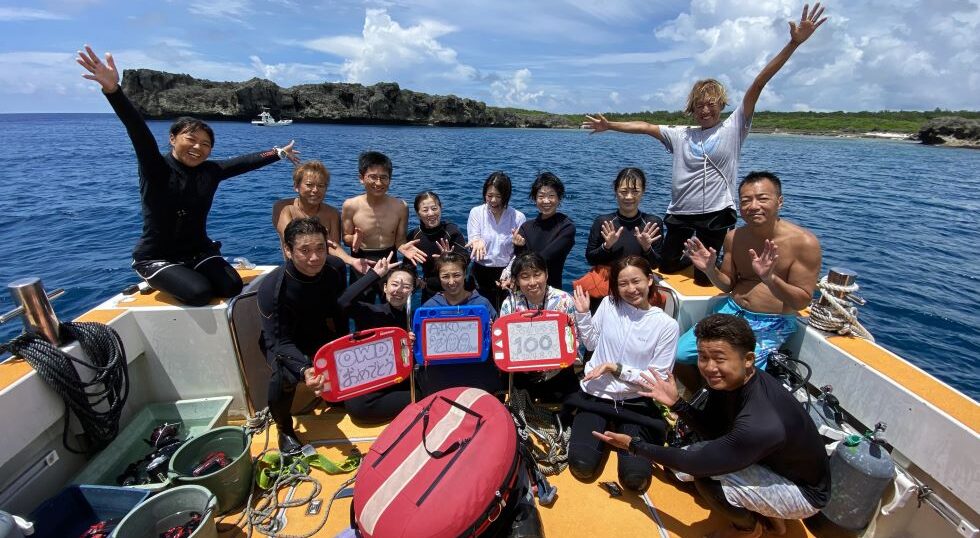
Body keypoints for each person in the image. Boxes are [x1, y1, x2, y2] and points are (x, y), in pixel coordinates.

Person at [583, 4, 827, 286]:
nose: (705, 110)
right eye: (699, 106)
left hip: (716, 213)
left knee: (705, 276)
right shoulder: (681, 134)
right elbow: (646, 127)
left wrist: (793, 44)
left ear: (721, 105)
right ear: (692, 109)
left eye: (711, 104)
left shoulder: (733, 128)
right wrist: (609, 125)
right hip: (680, 212)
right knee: (668, 264)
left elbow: (757, 85)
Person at [77, 45, 300, 306]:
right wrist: (113, 91)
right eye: (191, 139)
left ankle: (191, 270)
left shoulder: (211, 171)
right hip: (156, 256)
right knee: (199, 293)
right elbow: (138, 130)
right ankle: (157, 275)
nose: (198, 148)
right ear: (172, 139)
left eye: (206, 144)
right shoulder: (155, 167)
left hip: (197, 252)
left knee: (231, 286)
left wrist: (278, 153)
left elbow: (243, 163)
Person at [595, 314, 831, 538]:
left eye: (719, 358)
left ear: (748, 359)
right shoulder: (731, 382)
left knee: (704, 477)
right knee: (676, 472)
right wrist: (678, 404)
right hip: (769, 460)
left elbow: (696, 463)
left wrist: (634, 446)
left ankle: (748, 529)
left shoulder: (761, 421)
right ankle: (768, 514)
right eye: (702, 357)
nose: (708, 367)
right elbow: (713, 430)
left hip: (803, 493)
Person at [677, 172, 821, 373]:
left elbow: (801, 301)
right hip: (731, 311)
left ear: (779, 202)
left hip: (771, 322)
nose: (753, 206)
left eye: (762, 199)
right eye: (746, 200)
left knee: (743, 373)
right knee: (681, 354)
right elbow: (727, 284)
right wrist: (710, 270)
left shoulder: (804, 243)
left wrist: (770, 279)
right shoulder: (734, 237)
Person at [565, 256, 679, 493]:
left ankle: (622, 430)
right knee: (581, 466)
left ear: (649, 280)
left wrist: (616, 368)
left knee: (635, 479)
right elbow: (592, 342)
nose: (630, 289)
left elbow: (654, 381)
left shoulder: (666, 326)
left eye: (636, 281)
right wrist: (583, 314)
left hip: (636, 403)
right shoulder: (608, 304)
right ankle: (601, 428)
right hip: (596, 395)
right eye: (622, 284)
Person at [257, 218, 348, 453]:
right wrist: (306, 369)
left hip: (318, 333)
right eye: (304, 250)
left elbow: (338, 313)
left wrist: (344, 348)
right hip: (284, 342)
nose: (315, 258)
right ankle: (284, 428)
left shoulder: (335, 268)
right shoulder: (273, 289)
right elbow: (279, 342)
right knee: (282, 376)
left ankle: (333, 395)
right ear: (288, 250)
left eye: (320, 248)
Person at [336, 253, 414, 423]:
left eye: (406, 286)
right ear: (384, 288)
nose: (399, 290)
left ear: (412, 292)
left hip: (403, 378)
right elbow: (343, 302)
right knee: (356, 407)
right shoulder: (370, 312)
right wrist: (374, 274)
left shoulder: (414, 319)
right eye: (394, 284)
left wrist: (413, 346)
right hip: (375, 377)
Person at [418, 252, 502, 396]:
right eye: (445, 276)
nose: (451, 281)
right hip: (441, 371)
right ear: (439, 277)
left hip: (477, 368)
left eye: (456, 275)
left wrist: (493, 332)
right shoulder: (429, 307)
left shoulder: (482, 303)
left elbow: (499, 340)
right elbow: (422, 348)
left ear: (465, 274)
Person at [499, 252, 580, 401]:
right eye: (525, 277)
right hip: (523, 372)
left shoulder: (564, 300)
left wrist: (551, 369)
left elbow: (573, 341)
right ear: (516, 280)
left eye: (537, 275)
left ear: (547, 274)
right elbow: (505, 345)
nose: (532, 282)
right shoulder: (510, 304)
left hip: (558, 369)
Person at [581, 167, 663, 312]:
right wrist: (606, 246)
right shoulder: (603, 222)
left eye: (635, 191)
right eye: (623, 192)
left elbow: (656, 263)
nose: (629, 197)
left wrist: (647, 248)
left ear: (643, 191)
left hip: (636, 291)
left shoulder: (652, 223)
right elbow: (590, 259)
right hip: (606, 291)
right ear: (616, 191)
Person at [341, 151, 408, 302]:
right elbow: (345, 237)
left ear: (390, 179)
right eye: (372, 177)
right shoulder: (351, 205)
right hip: (361, 262)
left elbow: (400, 240)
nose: (378, 183)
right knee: (361, 310)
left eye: (383, 177)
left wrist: (404, 248)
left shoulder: (401, 206)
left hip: (390, 260)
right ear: (361, 178)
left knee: (394, 309)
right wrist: (353, 240)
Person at [467, 172, 526, 312]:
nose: (493, 200)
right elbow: (473, 239)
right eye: (489, 196)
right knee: (482, 315)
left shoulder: (517, 217)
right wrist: (476, 242)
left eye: (498, 196)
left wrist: (510, 272)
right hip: (481, 272)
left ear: (506, 196)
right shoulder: (476, 212)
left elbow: (520, 253)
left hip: (507, 273)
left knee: (507, 314)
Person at [399, 191, 469, 302]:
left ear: (441, 208)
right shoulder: (414, 236)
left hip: (457, 288)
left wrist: (449, 259)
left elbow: (466, 259)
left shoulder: (451, 231)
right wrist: (414, 279)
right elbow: (408, 266)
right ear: (418, 213)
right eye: (425, 210)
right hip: (430, 291)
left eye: (434, 208)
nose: (431, 213)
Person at [512, 172, 576, 289]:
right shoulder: (526, 227)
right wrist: (518, 246)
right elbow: (519, 261)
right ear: (535, 199)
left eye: (551, 196)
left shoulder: (566, 227)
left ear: (559, 198)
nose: (546, 201)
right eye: (541, 196)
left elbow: (546, 257)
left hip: (552, 292)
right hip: (526, 290)